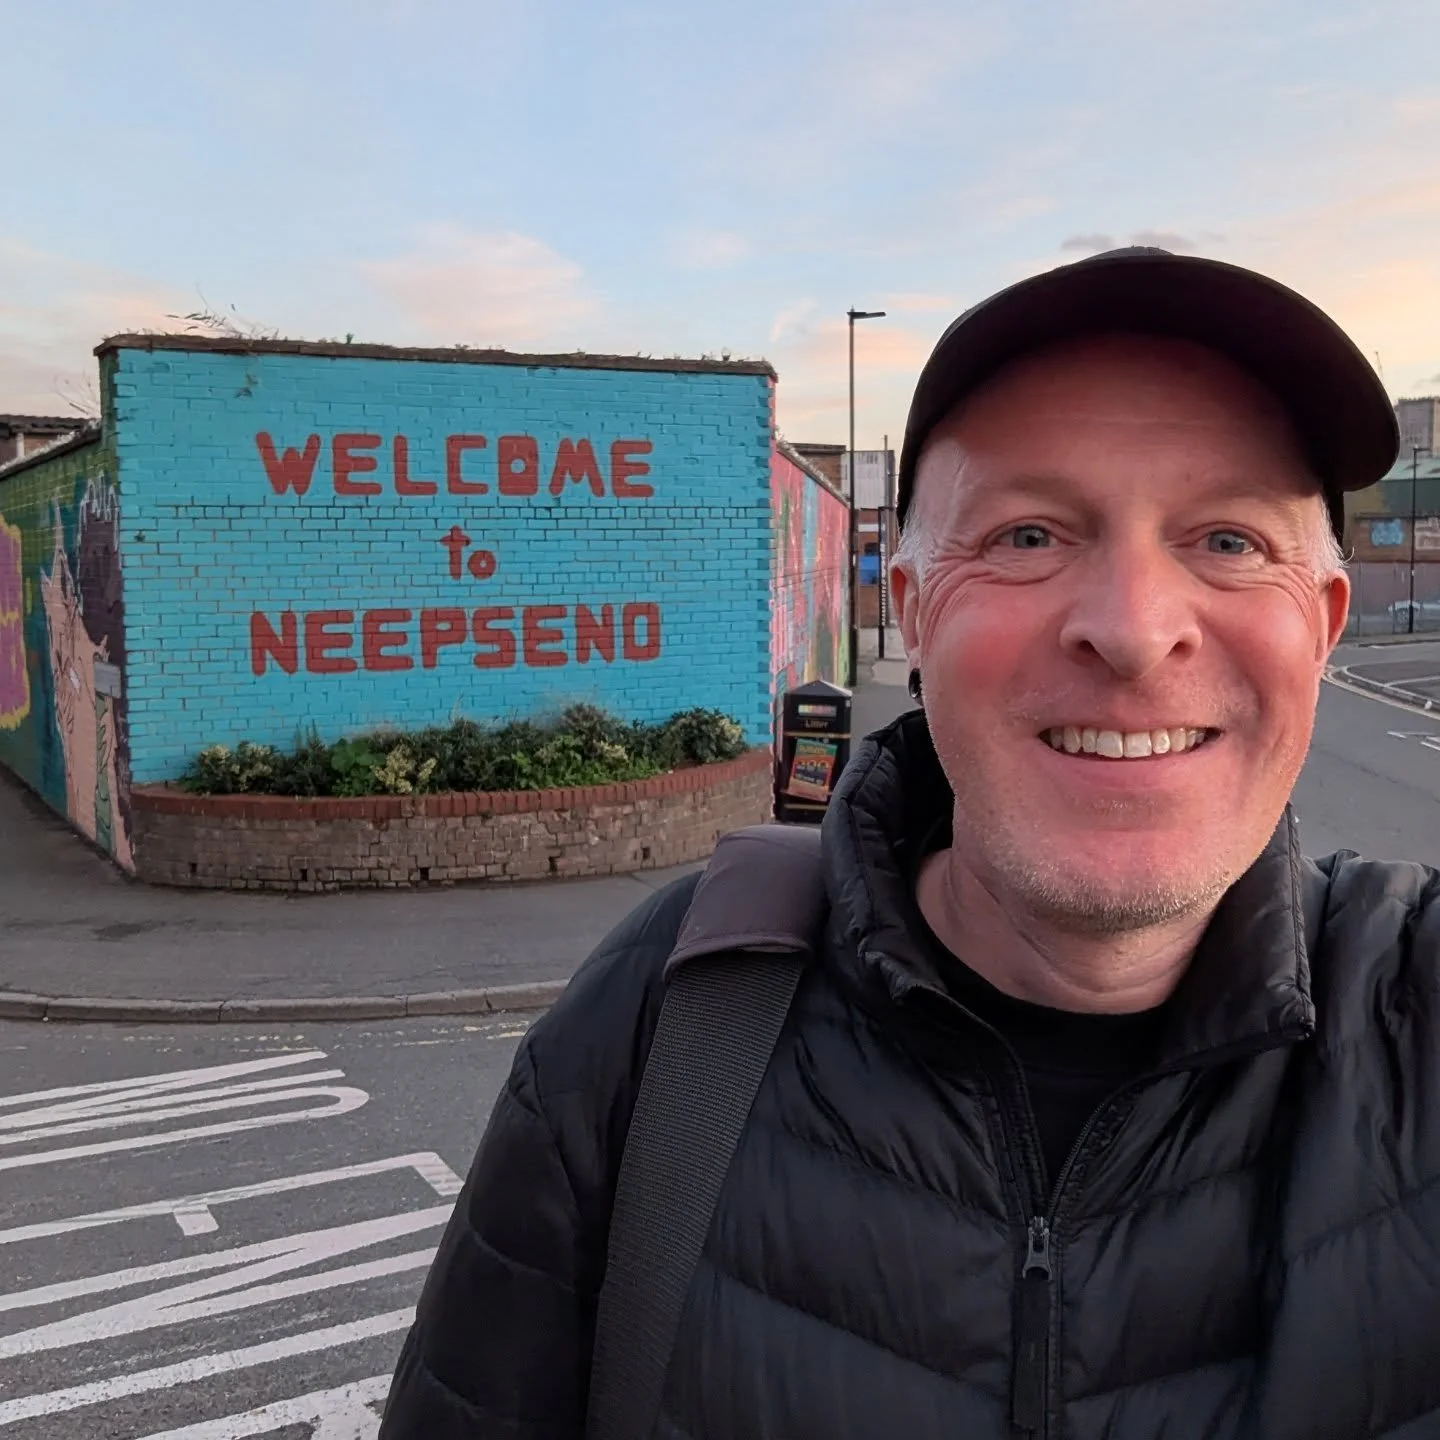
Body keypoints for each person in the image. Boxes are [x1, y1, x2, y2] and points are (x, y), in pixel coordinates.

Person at [379, 248, 1440, 1438]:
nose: (1134, 632)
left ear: (1325, 625)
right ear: (914, 607)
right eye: (1030, 535)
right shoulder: (666, 1021)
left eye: (1230, 541)